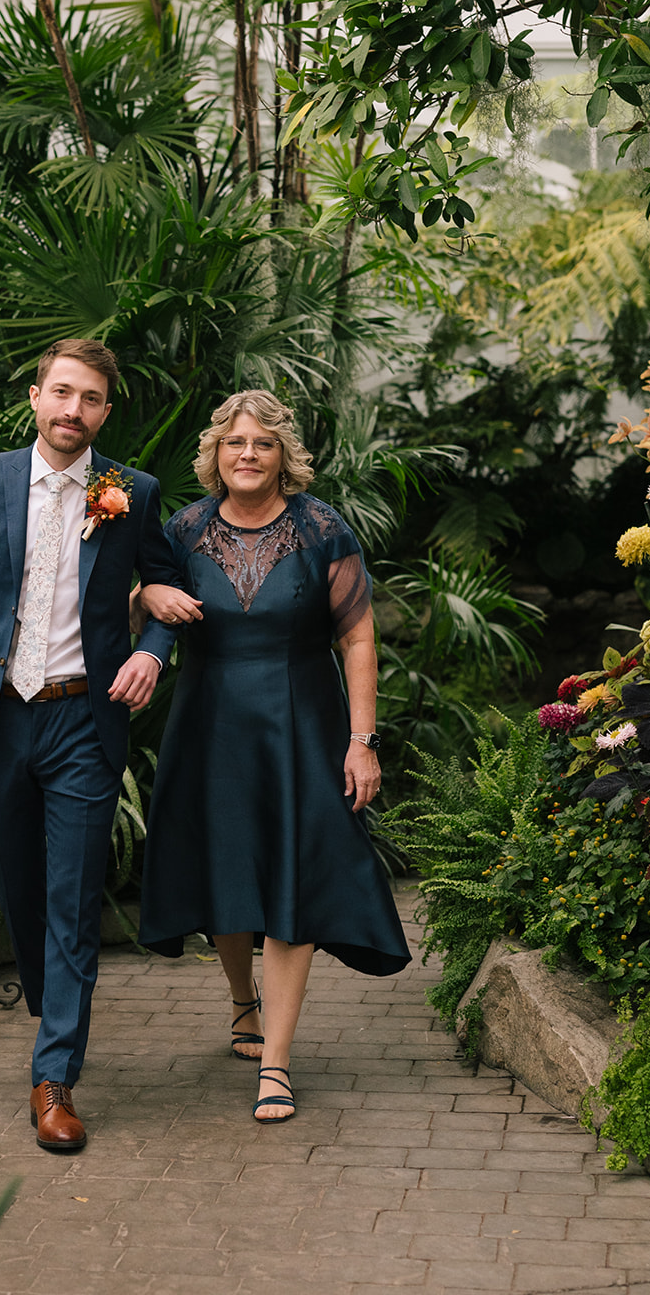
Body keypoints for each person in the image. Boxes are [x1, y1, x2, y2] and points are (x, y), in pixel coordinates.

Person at [0, 338, 181, 1152]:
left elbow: (160, 592)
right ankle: (50, 997)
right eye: (60, 394)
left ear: (105, 411)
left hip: (82, 722)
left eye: (88, 399)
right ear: (33, 397)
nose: (71, 411)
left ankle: (54, 1077)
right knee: (19, 887)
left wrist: (152, 653)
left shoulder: (131, 491)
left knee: (72, 900)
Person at [134, 389, 411, 1123]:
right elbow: (139, 601)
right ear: (214, 455)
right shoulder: (182, 530)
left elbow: (356, 639)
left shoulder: (323, 530)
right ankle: (239, 1002)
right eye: (234, 443)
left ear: (284, 455)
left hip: (302, 721)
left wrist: (361, 741)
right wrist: (147, 595)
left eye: (261, 443)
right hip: (208, 722)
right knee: (223, 870)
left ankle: (278, 1063)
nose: (247, 455)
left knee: (292, 879)